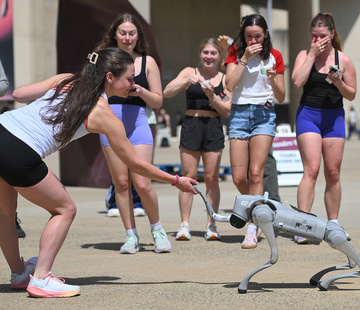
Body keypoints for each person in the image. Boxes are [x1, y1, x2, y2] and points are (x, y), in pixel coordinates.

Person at [1, 47, 197, 298]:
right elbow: (136, 165)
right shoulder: (103, 113)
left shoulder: (66, 80)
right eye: (129, 78)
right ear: (109, 77)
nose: (133, 83)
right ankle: (40, 278)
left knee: (5, 214)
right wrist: (176, 180)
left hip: (3, 127)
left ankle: (19, 274)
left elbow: (18, 93)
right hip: (21, 151)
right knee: (65, 209)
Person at [95, 13, 165, 253]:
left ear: (138, 36)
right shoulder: (103, 60)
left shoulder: (148, 62)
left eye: (132, 33)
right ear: (115, 34)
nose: (127, 37)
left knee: (143, 182)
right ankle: (131, 236)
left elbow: (157, 101)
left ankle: (157, 230)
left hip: (138, 123)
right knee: (121, 183)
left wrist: (142, 92)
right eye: (123, 33)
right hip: (109, 123)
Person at [291, 12, 357, 244]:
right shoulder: (304, 55)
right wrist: (311, 55)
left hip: (334, 118)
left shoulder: (343, 60)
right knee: (311, 169)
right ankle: (302, 224)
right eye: (314, 36)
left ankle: (333, 223)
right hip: (309, 116)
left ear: (332, 34)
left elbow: (351, 94)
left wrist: (339, 82)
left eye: (322, 36)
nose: (318, 40)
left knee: (333, 172)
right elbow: (297, 81)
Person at [225, 14, 286, 249]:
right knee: (239, 177)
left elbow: (281, 96)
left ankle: (253, 228)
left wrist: (272, 80)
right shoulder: (235, 52)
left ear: (266, 34)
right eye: (248, 36)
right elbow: (229, 85)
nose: (252, 41)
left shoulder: (275, 56)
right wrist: (244, 58)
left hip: (264, 114)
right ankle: (258, 208)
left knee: (256, 173)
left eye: (257, 36)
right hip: (239, 114)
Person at [164, 38, 231, 241]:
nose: (209, 57)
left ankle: (212, 224)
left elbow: (227, 111)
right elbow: (167, 92)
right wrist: (186, 81)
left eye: (213, 53)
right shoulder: (189, 72)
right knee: (187, 177)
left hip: (213, 127)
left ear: (219, 56)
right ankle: (184, 224)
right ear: (200, 54)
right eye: (205, 53)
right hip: (191, 125)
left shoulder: (225, 78)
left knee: (211, 178)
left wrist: (212, 96)